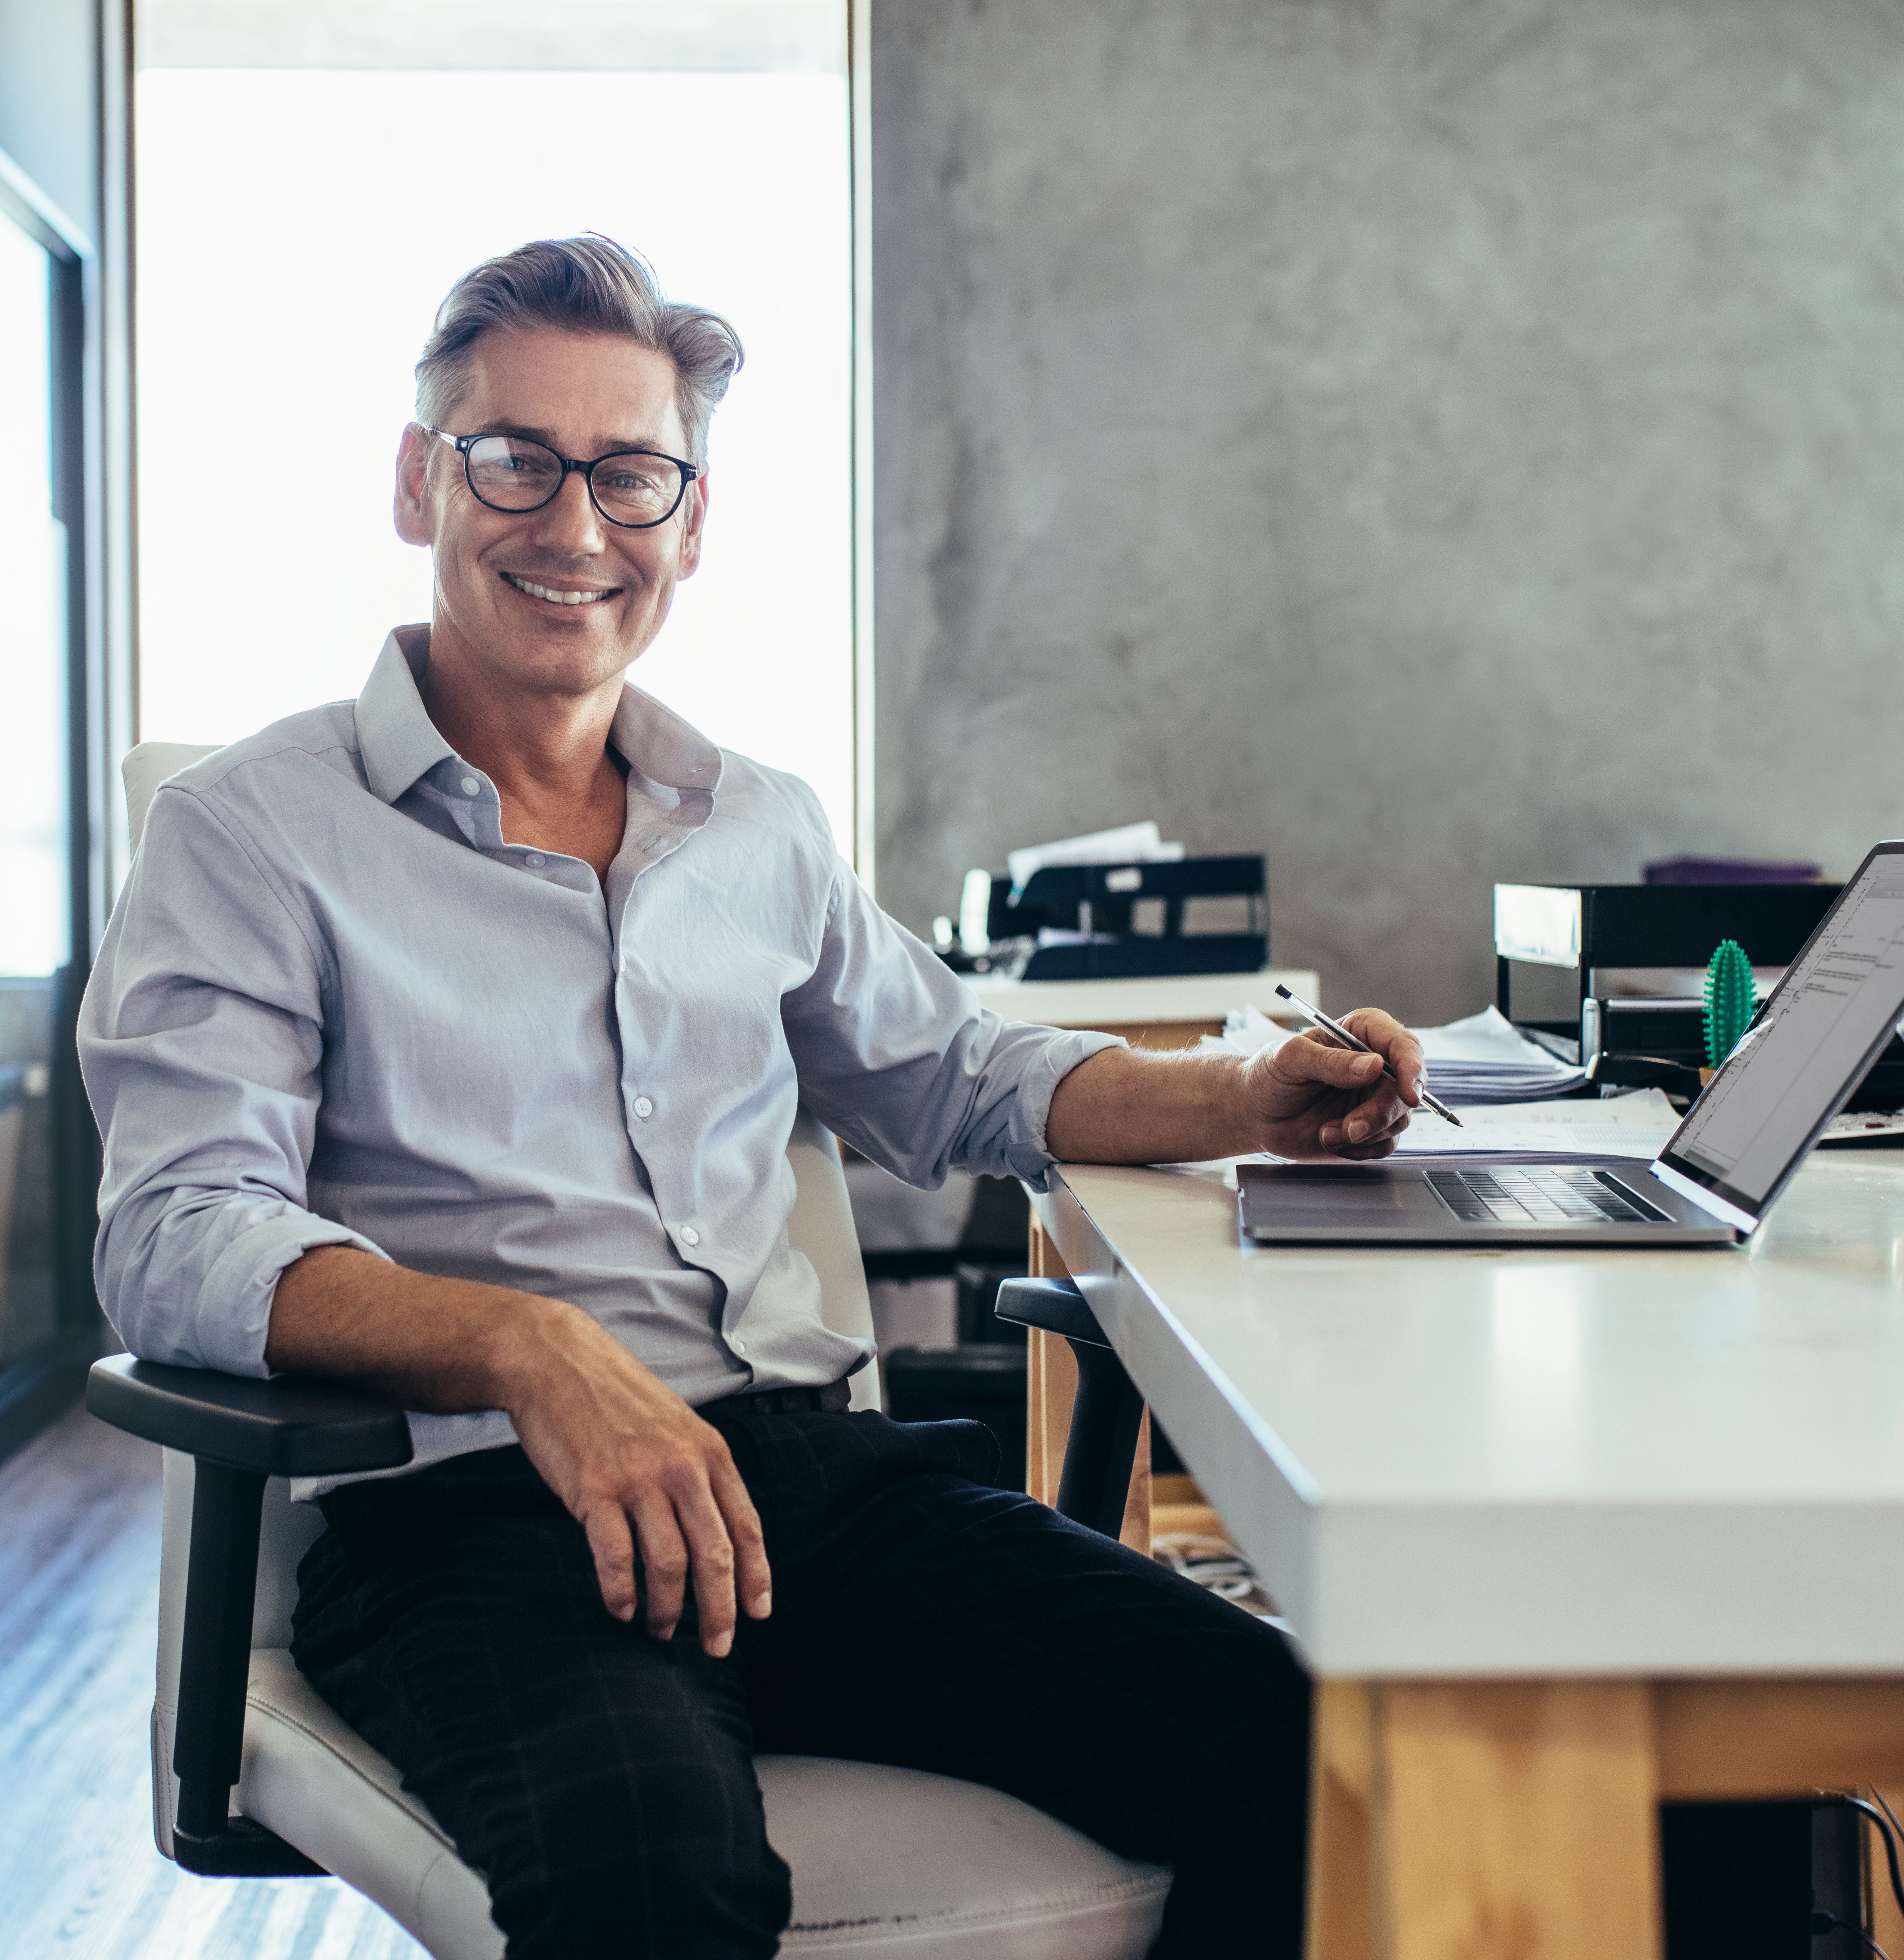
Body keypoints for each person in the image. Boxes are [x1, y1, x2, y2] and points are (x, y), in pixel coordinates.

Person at [81, 234, 1426, 1960]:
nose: (574, 526)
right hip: (479, 1519)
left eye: (629, 472)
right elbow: (177, 1226)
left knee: (1318, 1758)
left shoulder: (758, 822)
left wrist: (1252, 1091)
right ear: (420, 480)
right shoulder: (252, 832)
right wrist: (534, 1348)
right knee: (653, 1881)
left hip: (809, 1485)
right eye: (513, 458)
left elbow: (957, 1069)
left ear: (690, 520)